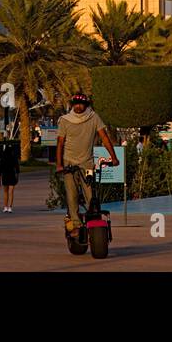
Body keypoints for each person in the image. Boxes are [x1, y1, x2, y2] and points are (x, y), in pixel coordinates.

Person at [56, 93, 119, 237]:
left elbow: (104, 137)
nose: (78, 106)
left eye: (81, 104)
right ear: (72, 105)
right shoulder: (65, 120)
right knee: (72, 195)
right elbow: (60, 143)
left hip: (87, 163)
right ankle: (76, 225)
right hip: (69, 163)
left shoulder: (94, 117)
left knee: (91, 194)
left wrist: (113, 158)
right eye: (75, 104)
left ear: (86, 105)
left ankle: (94, 220)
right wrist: (59, 165)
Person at [0, 139, 20, 213]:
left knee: (5, 192)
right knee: (11, 192)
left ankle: (5, 207)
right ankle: (10, 207)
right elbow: (17, 168)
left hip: (5, 175)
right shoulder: (14, 157)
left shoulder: (3, 158)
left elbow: (0, 168)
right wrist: (17, 177)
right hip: (12, 175)